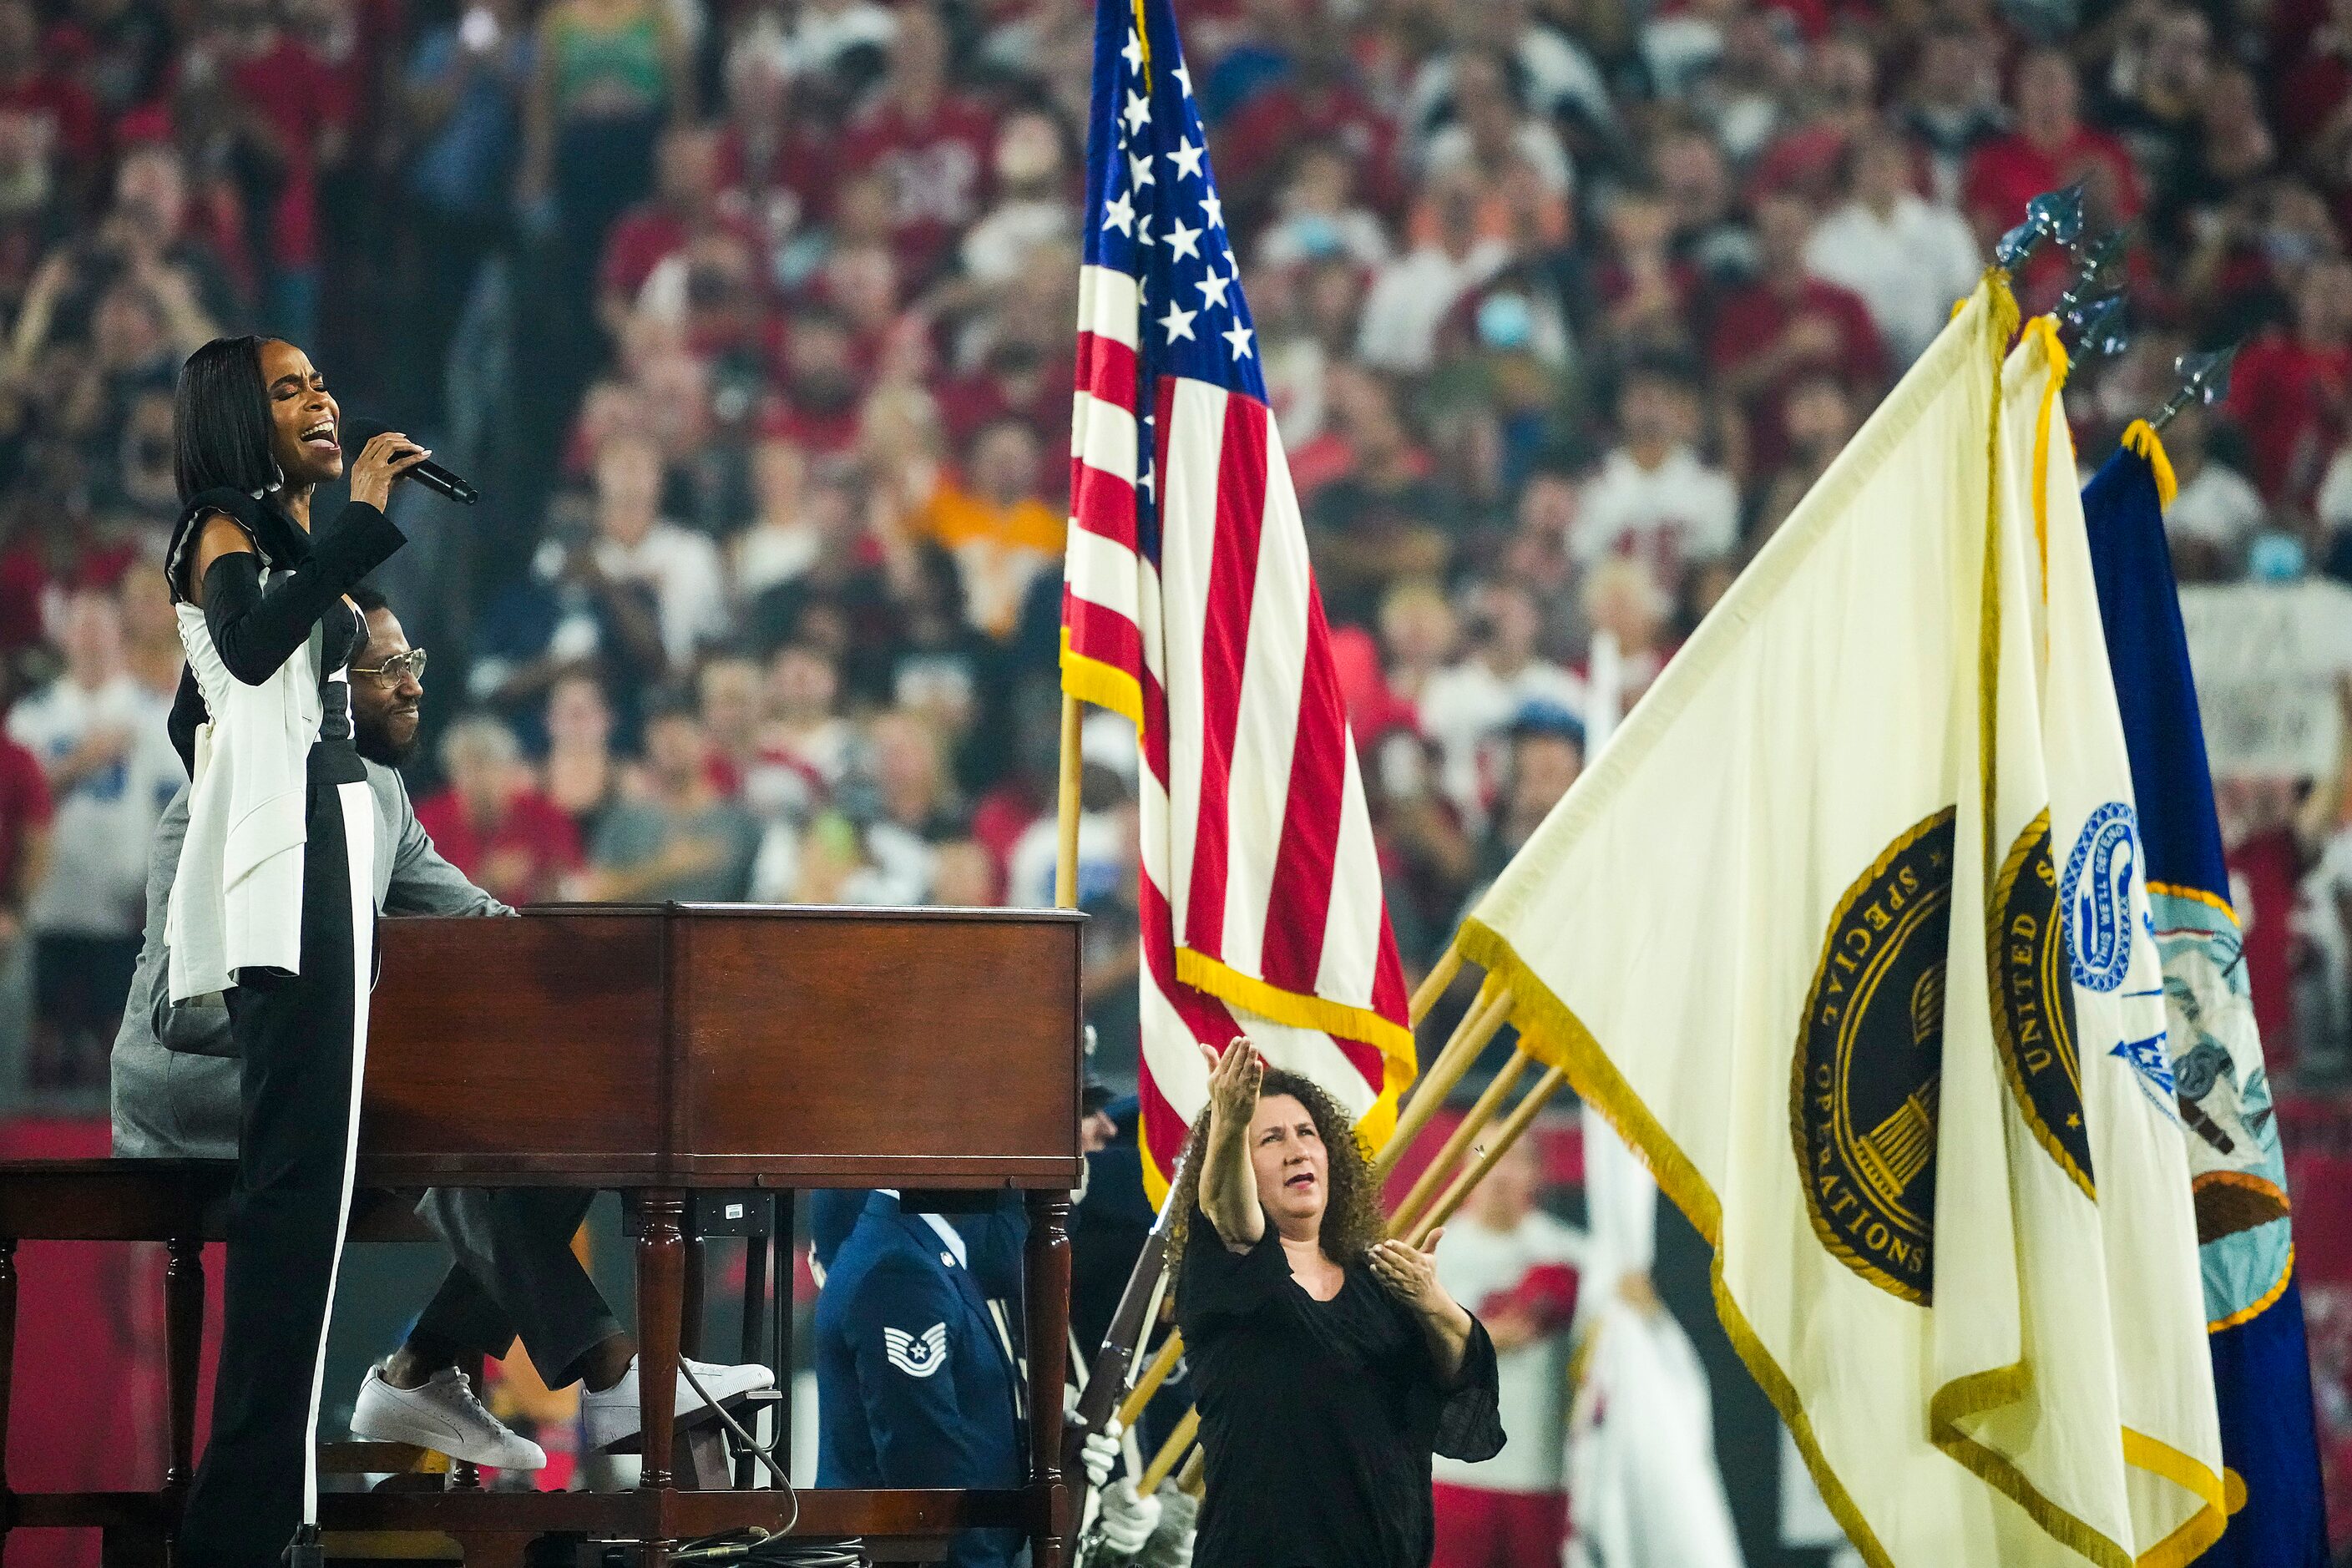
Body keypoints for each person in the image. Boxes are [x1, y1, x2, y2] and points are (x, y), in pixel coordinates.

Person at [116, 590, 777, 1476]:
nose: (411, 686)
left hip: (323, 1075)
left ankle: (421, 1368)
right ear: (325, 696)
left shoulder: (380, 793)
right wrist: (344, 1021)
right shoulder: (214, 806)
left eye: (411, 663)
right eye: (386, 672)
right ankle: (610, 1370)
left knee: (561, 1123)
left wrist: (612, 980)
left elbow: (485, 927)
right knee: (409, 1096)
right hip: (187, 1095)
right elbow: (176, 1011)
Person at [159, 334, 422, 1568]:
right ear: (234, 418)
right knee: (291, 1209)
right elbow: (254, 647)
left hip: (318, 837)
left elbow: (196, 704)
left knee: (304, 1212)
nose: (322, 397)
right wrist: (357, 523)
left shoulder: (268, 535)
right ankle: (243, 1528)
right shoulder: (218, 528)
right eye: (289, 389)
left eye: (323, 381)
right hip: (298, 868)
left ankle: (280, 1517)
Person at [1172, 1038, 1503, 1568]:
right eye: (1271, 1139)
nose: (1298, 1149)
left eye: (1308, 1134)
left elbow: (1464, 1394)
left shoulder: (1382, 1279)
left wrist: (1434, 1303)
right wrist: (1229, 1124)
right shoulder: (1229, 1272)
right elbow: (1227, 1211)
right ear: (1240, 1163)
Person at [1429, 1137, 1585, 1568]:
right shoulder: (1427, 1252)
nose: (1497, 1169)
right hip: (1449, 1475)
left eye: (1513, 1157)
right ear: (1461, 1166)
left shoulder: (1570, 1252)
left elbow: (1526, 1329)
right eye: (1482, 1154)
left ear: (1537, 1173)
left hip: (1537, 1476)